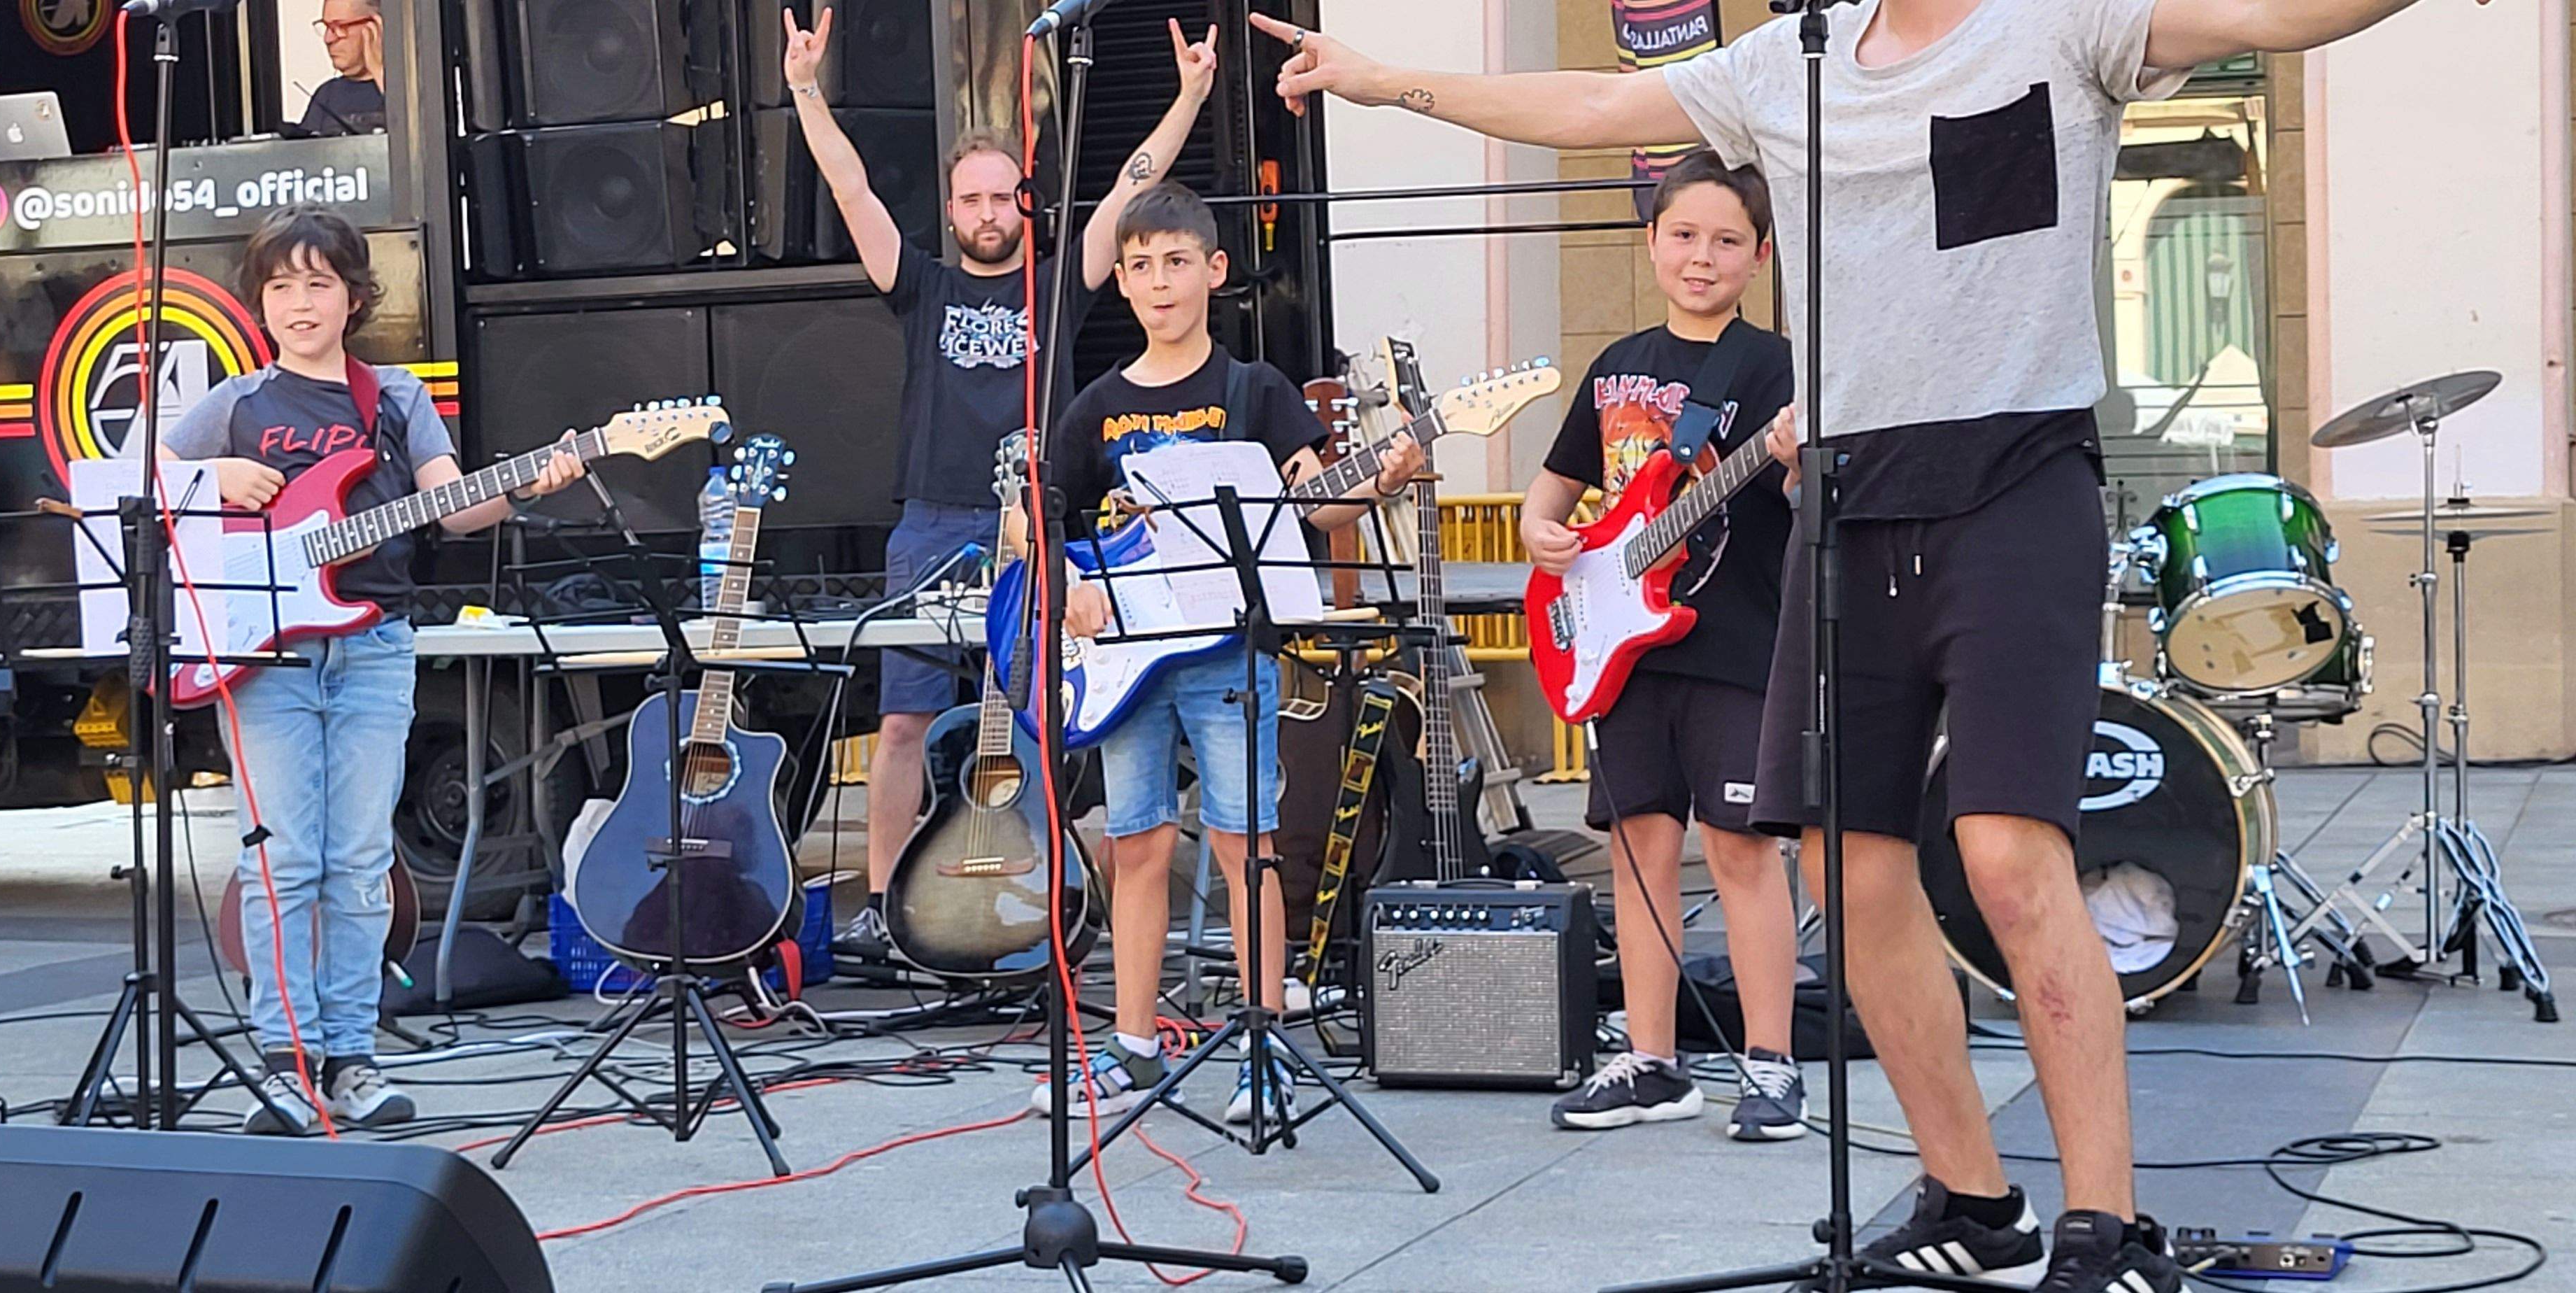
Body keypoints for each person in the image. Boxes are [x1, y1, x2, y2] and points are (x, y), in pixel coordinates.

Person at [1247, 0, 2426, 1287]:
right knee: (1845, 870)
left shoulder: (2063, 26)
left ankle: (2107, 1219)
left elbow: (2264, 14)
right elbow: (1590, 108)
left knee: (2008, 853)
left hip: (2016, 478)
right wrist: (1378, 78)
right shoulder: (1789, 60)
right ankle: (1973, 1197)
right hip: (1853, 498)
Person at [778, 7, 1223, 953]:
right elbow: (851, 187)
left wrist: (1187, 97)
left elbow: (1130, 189)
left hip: (1034, 525)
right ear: (952, 211)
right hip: (934, 523)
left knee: (1027, 728)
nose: (987, 214)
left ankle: (1020, 915)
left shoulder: (1059, 284)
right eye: (970, 200)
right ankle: (893, 915)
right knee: (902, 724)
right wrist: (808, 89)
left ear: (1026, 199)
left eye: (1002, 197)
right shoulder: (924, 284)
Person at [162, 204, 587, 1135]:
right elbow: (125, 481)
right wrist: (211, 481)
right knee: (282, 864)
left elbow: (453, 508)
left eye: (318, 283)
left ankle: (350, 1057)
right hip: (263, 658)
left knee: (358, 863)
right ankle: (285, 1063)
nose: (298, 302)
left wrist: (530, 478)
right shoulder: (234, 405)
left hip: (374, 647)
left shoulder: (391, 396)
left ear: (353, 296)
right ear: (260, 300)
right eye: (280, 286)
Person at [1031, 183, 1421, 1124]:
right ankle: (1127, 1044)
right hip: (1127, 653)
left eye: (1176, 262)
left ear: (1214, 271)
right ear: (1120, 283)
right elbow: (1030, 513)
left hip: (1228, 652)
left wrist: (1376, 479)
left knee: (1250, 848)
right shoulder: (1097, 405)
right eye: (1140, 266)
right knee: (1137, 843)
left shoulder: (1255, 391)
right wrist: (1066, 585)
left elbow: (1310, 503)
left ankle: (1261, 1043)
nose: (1159, 282)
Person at [1518, 149, 1803, 1143]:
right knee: (1640, 850)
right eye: (1684, 235)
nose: (1701, 257)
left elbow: (1810, 500)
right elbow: (1548, 503)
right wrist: (1543, 538)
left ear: (1759, 256)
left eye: (1727, 241)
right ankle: (1651, 1060)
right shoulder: (1614, 368)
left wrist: (1792, 464)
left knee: (1740, 850)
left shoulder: (1776, 368)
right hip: (1620, 645)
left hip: (1736, 641)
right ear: (1652, 242)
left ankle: (1771, 1065)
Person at [297, 0, 386, 137]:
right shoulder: (327, 95)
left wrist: (380, 73)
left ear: (375, 26)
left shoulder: (410, 89)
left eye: (339, 27)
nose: (328, 39)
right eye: (326, 27)